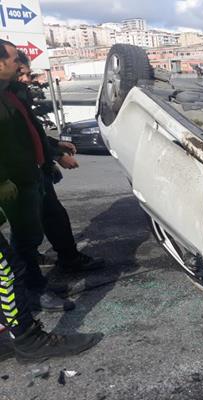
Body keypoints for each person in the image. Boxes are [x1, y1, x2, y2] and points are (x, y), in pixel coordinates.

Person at [0, 38, 102, 362]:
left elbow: (30, 136)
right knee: (12, 264)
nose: (22, 68)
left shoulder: (10, 95)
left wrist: (51, 151)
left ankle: (24, 324)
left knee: (18, 256)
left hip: (29, 177)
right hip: (19, 182)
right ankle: (28, 332)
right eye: (16, 60)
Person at [14, 52, 105, 275]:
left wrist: (55, 144)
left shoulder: (16, 94)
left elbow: (32, 131)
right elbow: (19, 138)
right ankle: (36, 281)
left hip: (33, 169)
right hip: (20, 172)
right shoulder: (7, 97)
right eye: (20, 73)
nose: (26, 79)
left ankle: (41, 266)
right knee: (36, 222)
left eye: (28, 74)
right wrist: (56, 155)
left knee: (43, 218)